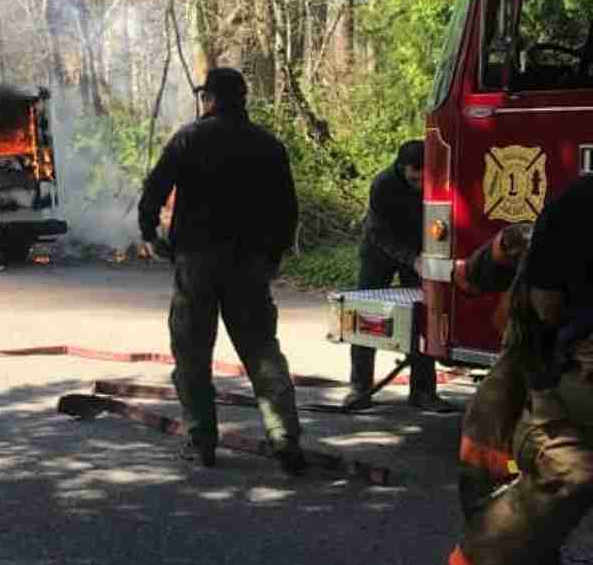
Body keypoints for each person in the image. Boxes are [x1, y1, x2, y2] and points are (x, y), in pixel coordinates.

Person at [137, 67, 306, 473]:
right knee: (263, 353)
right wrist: (273, 258)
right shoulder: (269, 145)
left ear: (210, 99)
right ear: (243, 99)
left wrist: (150, 233)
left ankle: (201, 441)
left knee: (193, 355)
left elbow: (154, 191)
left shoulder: (188, 139)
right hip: (250, 265)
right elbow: (287, 210)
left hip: (196, 263)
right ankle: (284, 440)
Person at [449, 174, 593, 565]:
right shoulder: (546, 232)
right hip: (531, 382)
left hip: (529, 380)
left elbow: (468, 278)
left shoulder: (539, 231)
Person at [344, 140, 458, 412]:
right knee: (365, 313)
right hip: (379, 251)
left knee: (422, 316)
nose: (420, 182)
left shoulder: (437, 180)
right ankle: (360, 387)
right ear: (402, 167)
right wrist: (411, 259)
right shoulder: (382, 185)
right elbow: (379, 233)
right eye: (414, 176)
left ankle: (423, 392)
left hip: (416, 251)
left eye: (424, 176)